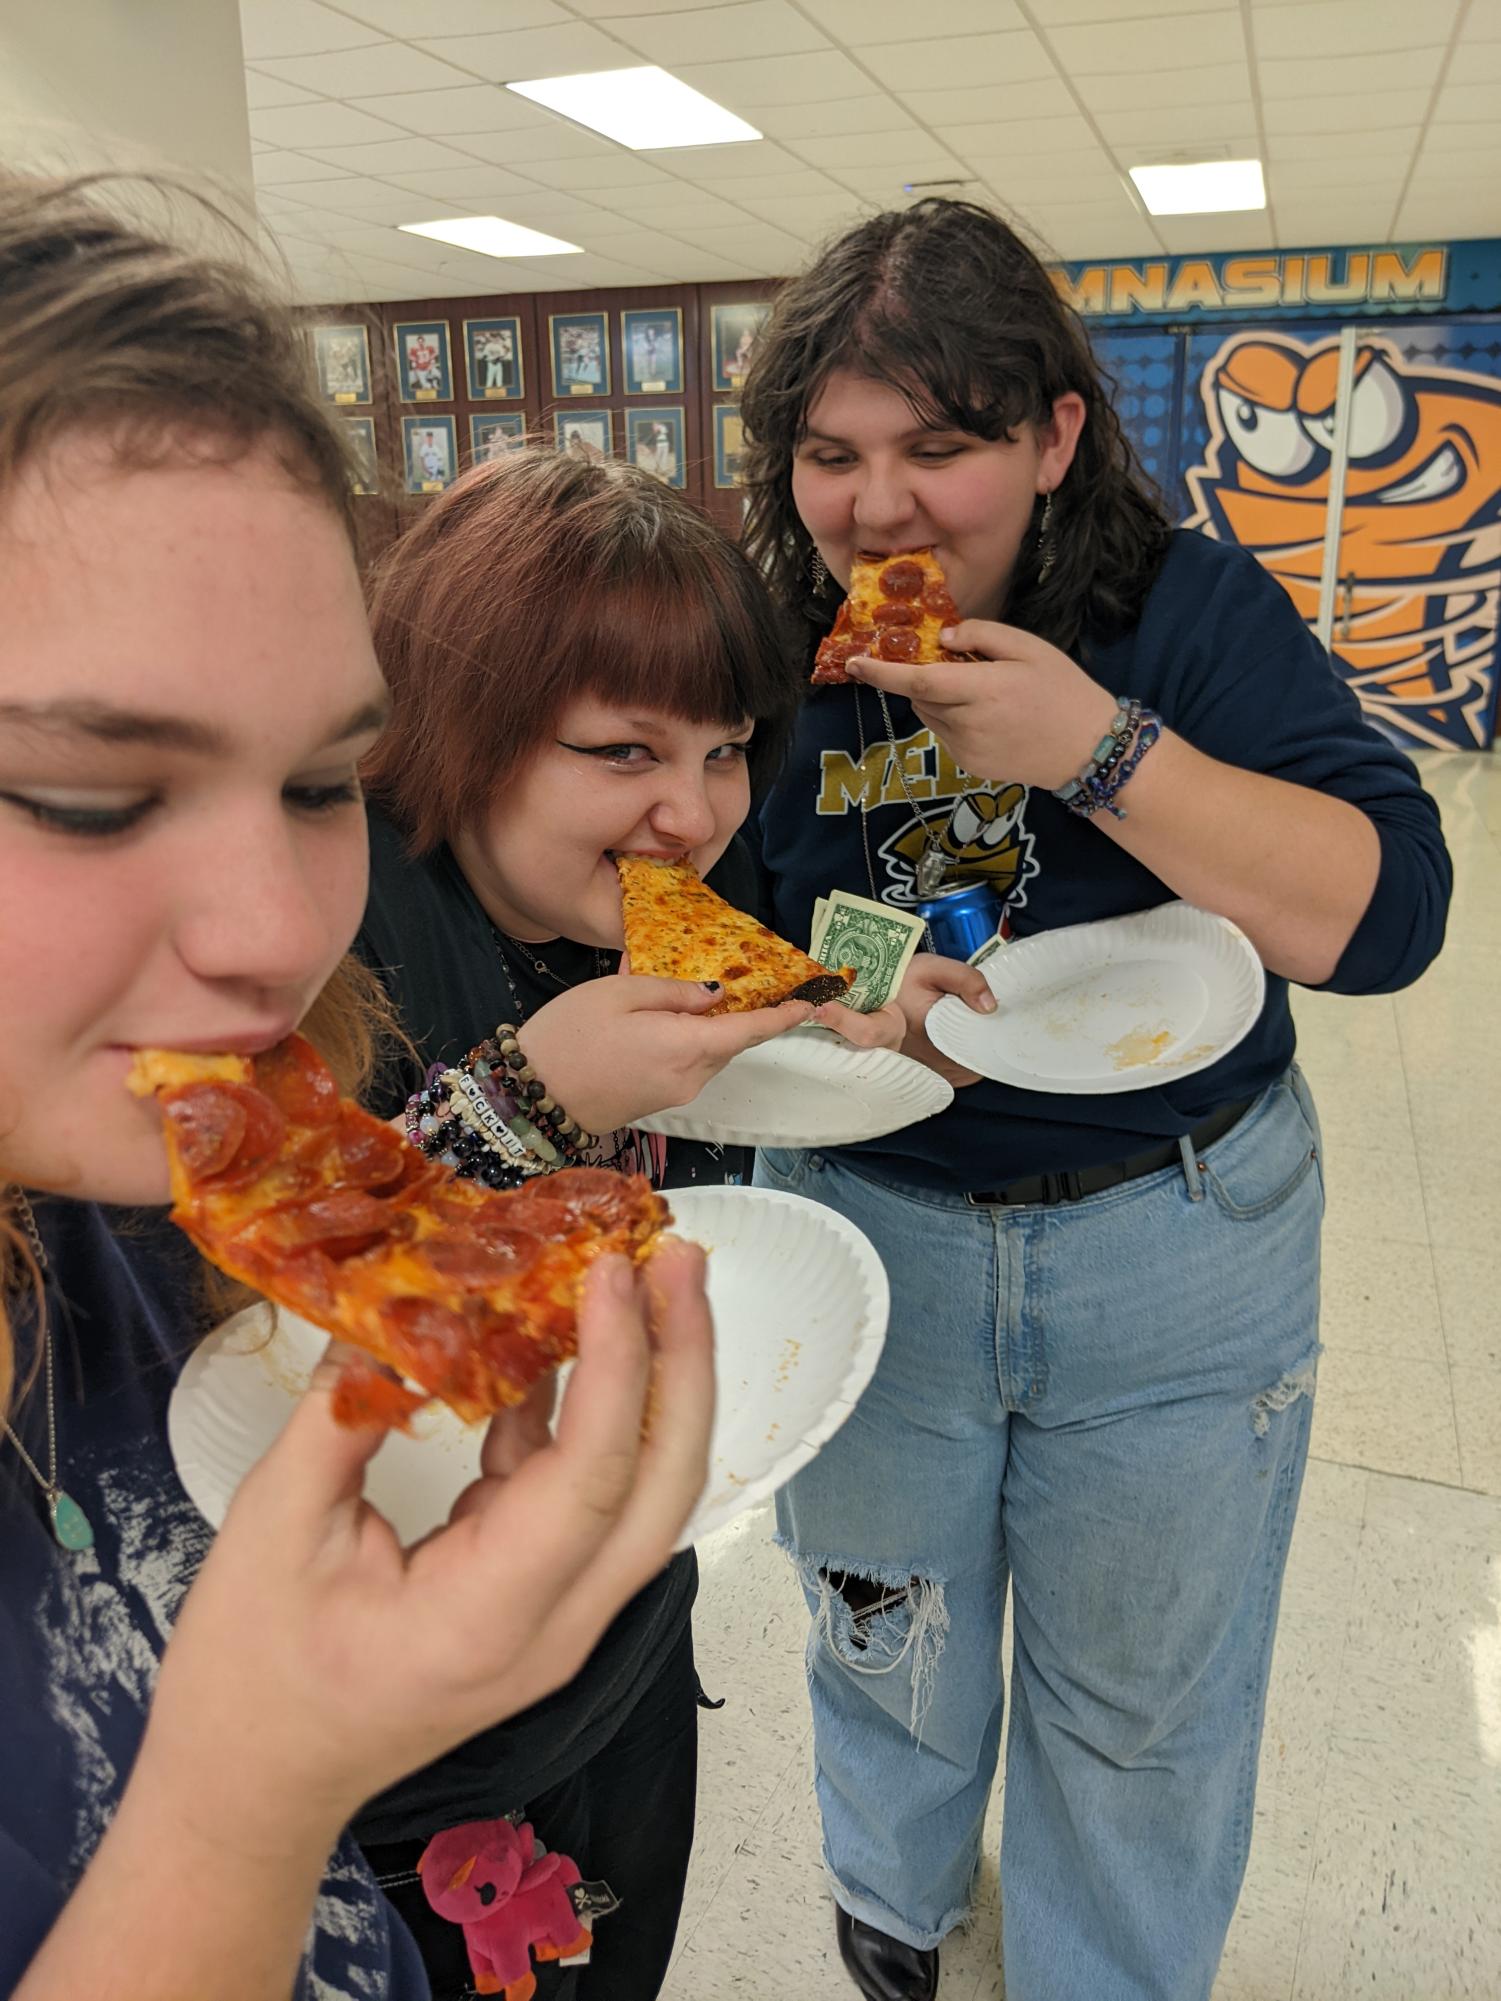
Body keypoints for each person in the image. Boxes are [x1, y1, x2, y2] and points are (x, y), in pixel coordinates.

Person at [0, 174, 716, 2001]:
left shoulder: (129, 1205)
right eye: (90, 795)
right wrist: (252, 1801)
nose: (278, 939)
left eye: (323, 783)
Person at [739, 197, 1453, 2001]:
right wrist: (832, 969)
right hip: (862, 1229)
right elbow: (700, 898)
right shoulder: (759, 640)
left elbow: (1385, 916)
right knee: (880, 1636)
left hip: (1176, 1231)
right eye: (831, 454)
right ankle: (901, 1919)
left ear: (1056, 438)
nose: (877, 506)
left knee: (1145, 1696)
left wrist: (1097, 751)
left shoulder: (1180, 610)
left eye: (940, 446)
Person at [349, 445, 900, 1998]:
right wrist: (535, 1088)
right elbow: (275, 1331)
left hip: (626, 1628)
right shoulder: (338, 939)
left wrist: (816, 1000)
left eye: (726, 749)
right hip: (421, 1740)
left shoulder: (595, 913)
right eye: (621, 751)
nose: (694, 811)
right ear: (459, 728)